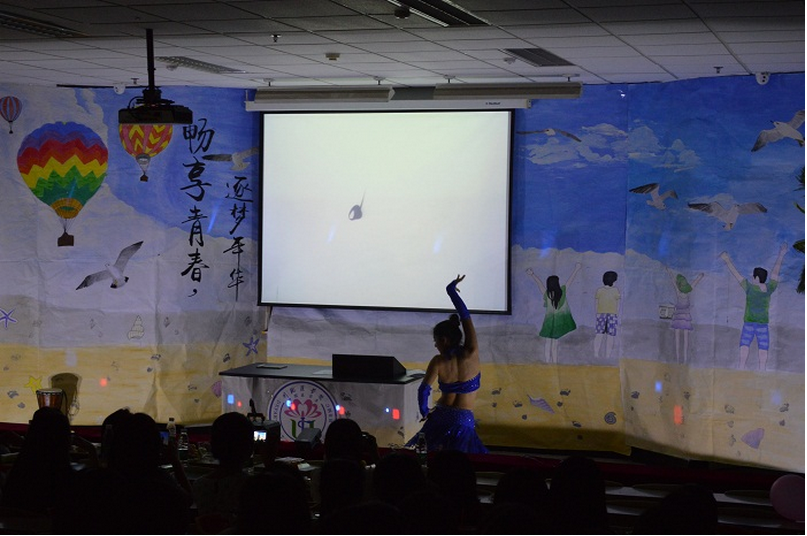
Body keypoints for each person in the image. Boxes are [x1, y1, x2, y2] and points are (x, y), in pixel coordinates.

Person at [405, 275, 488, 454]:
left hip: (440, 416)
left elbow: (423, 390)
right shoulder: (472, 353)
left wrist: (425, 412)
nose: (435, 346)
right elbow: (465, 317)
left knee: (429, 458)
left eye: (436, 341)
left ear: (444, 340)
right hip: (464, 420)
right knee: (460, 461)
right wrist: (451, 292)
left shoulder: (438, 361)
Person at [719, 243, 788, 370]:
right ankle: (762, 368)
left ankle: (741, 366)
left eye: (753, 276)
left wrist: (727, 260)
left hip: (749, 323)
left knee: (744, 344)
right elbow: (775, 273)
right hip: (763, 324)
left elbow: (736, 274)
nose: (751, 277)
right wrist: (781, 255)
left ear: (756, 278)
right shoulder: (769, 289)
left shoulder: (749, 288)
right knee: (763, 347)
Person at [526, 262, 583, 363]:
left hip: (548, 323)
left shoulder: (546, 294)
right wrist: (576, 269)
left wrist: (532, 274)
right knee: (555, 344)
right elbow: (570, 280)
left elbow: (539, 284)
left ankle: (548, 362)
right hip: (559, 323)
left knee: (548, 343)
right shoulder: (562, 292)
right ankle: (555, 363)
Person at [665, 267, 704, 364]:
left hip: (680, 317)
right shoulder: (683, 292)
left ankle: (682, 359)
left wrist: (700, 277)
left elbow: (694, 282)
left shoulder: (680, 292)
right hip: (683, 317)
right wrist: (700, 277)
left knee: (681, 339)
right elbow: (694, 283)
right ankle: (681, 359)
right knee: (681, 339)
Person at [594, 270, 620, 359]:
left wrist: (597, 314)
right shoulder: (615, 290)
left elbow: (596, 304)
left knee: (599, 335)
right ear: (613, 281)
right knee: (610, 336)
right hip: (612, 315)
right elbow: (618, 304)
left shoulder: (599, 290)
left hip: (601, 315)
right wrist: (617, 314)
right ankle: (607, 355)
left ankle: (596, 354)